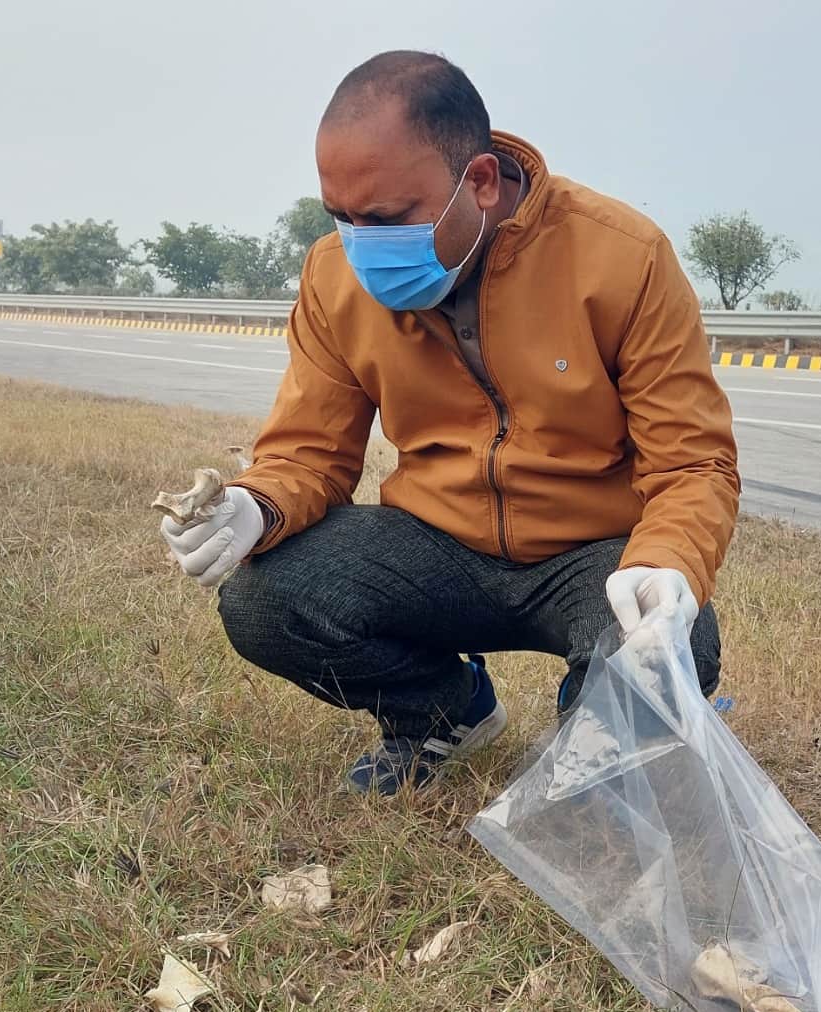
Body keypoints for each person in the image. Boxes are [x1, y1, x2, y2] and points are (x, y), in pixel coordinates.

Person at [162, 50, 739, 795]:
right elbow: (309, 453)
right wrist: (254, 505)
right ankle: (444, 713)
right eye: (340, 215)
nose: (359, 243)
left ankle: (590, 729)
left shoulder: (621, 257)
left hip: (591, 556)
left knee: (673, 644)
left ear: (480, 182)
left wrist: (668, 560)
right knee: (263, 600)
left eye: (386, 218)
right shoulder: (333, 277)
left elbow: (694, 463)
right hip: (439, 548)